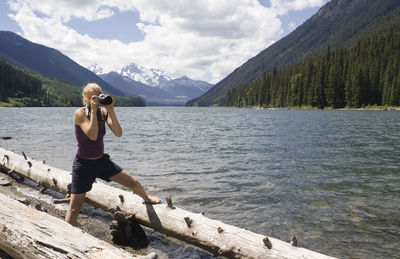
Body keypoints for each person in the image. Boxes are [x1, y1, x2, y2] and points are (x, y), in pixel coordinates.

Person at [65, 83, 160, 226]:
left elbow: (118, 133)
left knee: (133, 182)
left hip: (102, 162)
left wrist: (111, 110)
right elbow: (92, 135)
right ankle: (66, 236)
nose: (96, 100)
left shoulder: (103, 113)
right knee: (73, 209)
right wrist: (94, 110)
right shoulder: (80, 113)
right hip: (83, 165)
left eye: (99, 96)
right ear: (85, 98)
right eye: (93, 97)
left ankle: (147, 198)